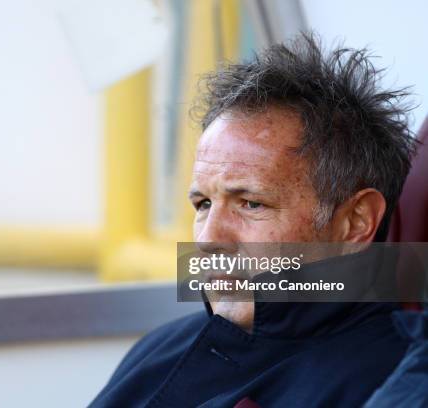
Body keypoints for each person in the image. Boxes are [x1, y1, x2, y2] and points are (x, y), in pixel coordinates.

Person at [89, 33, 419, 407]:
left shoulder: (392, 385)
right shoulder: (159, 348)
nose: (209, 238)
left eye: (250, 203)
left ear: (354, 222)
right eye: (202, 204)